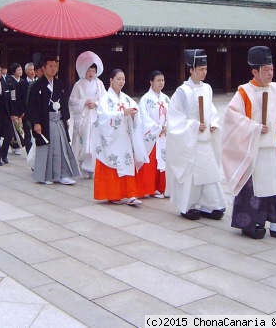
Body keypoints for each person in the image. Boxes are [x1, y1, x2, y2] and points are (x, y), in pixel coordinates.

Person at [221, 46, 276, 240]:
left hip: (272, 147)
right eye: (265, 70)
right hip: (254, 149)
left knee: (275, 186)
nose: (270, 73)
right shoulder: (244, 92)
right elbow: (231, 117)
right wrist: (253, 127)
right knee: (253, 189)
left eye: (271, 69)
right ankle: (249, 224)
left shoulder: (275, 88)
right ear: (254, 71)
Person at [166, 50, 227, 220]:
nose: (204, 72)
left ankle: (212, 204)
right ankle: (188, 206)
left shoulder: (207, 88)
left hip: (205, 139)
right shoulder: (182, 91)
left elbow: (211, 110)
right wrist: (193, 126)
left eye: (205, 69)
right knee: (192, 176)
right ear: (191, 70)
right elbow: (175, 118)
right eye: (200, 69)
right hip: (191, 141)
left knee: (210, 174)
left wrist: (213, 123)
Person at [93, 69, 148, 205]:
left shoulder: (126, 98)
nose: (121, 82)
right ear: (111, 80)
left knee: (128, 162)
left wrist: (134, 114)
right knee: (113, 162)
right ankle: (114, 194)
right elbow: (104, 117)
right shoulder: (105, 99)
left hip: (124, 137)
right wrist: (122, 113)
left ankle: (131, 194)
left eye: (123, 79)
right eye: (118, 79)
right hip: (111, 138)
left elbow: (136, 111)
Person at [27, 56, 79, 185]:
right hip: (45, 120)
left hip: (58, 119)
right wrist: (36, 123)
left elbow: (65, 102)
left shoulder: (59, 84)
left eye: (55, 66)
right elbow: (32, 106)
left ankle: (62, 175)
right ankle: (44, 176)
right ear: (43, 68)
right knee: (46, 148)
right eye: (50, 66)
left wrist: (66, 118)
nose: (53, 68)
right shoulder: (37, 86)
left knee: (61, 147)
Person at [68, 51, 106, 179]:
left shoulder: (99, 84)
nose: (91, 73)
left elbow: (105, 100)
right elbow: (72, 101)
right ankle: (82, 165)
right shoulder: (78, 85)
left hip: (95, 116)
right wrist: (84, 102)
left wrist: (96, 103)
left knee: (95, 141)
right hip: (83, 117)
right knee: (83, 142)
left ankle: (94, 167)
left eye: (93, 70)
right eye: (89, 70)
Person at [138, 70, 170, 198]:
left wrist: (167, 126)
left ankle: (162, 187)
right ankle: (149, 188)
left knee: (163, 160)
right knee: (151, 162)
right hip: (152, 136)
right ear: (151, 82)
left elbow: (172, 114)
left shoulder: (166, 98)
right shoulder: (145, 99)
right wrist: (157, 128)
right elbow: (144, 118)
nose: (161, 83)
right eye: (158, 80)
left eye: (162, 80)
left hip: (164, 135)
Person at [5, 62, 26, 155]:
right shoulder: (9, 81)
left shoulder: (22, 81)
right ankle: (15, 145)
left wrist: (23, 110)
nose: (20, 71)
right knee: (14, 128)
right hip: (12, 107)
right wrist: (12, 112)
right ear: (14, 71)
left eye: (21, 69)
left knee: (19, 127)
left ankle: (17, 145)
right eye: (18, 70)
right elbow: (11, 98)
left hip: (20, 107)